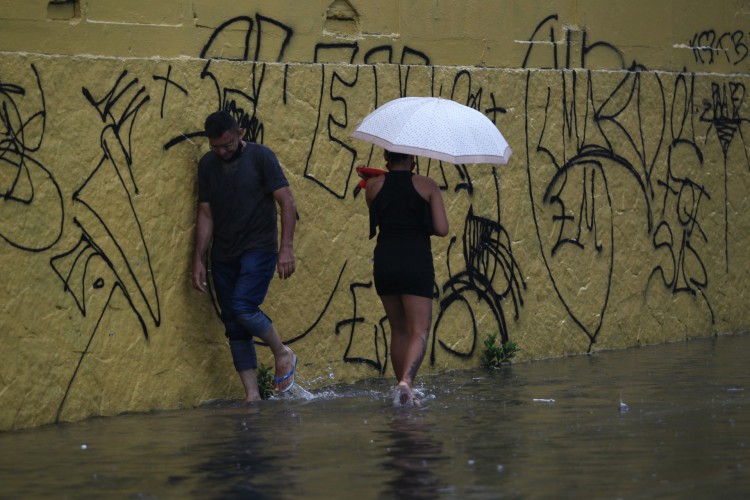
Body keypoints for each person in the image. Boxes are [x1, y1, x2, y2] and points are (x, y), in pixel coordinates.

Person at [192, 110, 298, 402]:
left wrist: (286, 248)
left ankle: (282, 352)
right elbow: (206, 213)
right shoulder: (208, 165)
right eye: (215, 147)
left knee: (242, 305)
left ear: (239, 133)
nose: (222, 152)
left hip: (258, 248)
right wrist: (199, 258)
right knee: (233, 323)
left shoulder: (261, 157)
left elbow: (286, 201)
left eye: (226, 145)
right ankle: (252, 396)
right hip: (224, 254)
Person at [365, 150, 449, 406]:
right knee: (419, 330)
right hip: (415, 261)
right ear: (412, 159)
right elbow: (442, 229)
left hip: (386, 261)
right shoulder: (428, 185)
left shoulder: (373, 186)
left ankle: (401, 388)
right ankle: (407, 383)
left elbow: (381, 211)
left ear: (386, 158)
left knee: (399, 330)